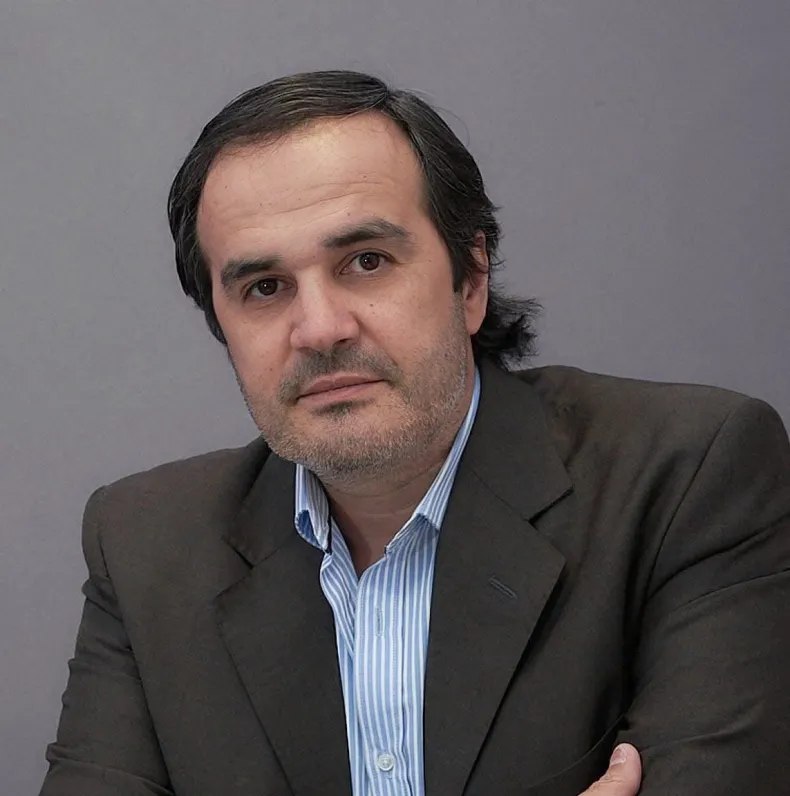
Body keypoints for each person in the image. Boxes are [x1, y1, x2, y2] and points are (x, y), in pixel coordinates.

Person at [40, 70, 790, 796]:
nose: (320, 329)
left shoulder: (689, 474)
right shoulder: (144, 546)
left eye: (366, 262)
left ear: (470, 280)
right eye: (265, 288)